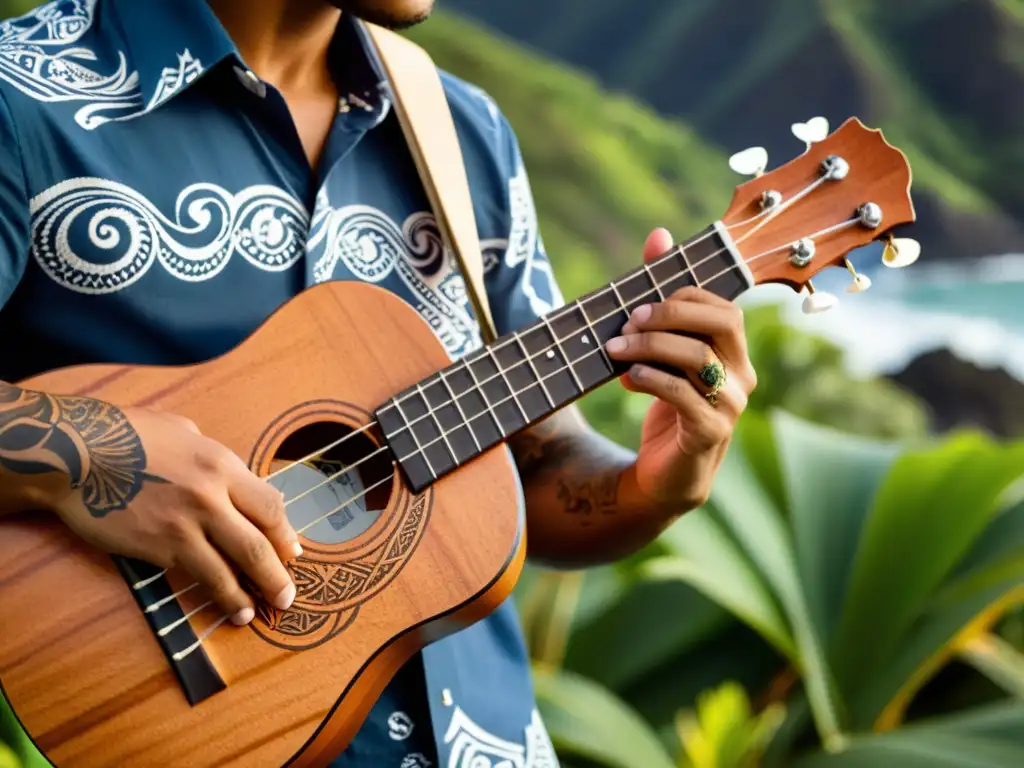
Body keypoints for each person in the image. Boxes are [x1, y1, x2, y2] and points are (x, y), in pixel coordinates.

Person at [0, 0, 757, 765]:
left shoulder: (466, 134)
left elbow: (532, 465)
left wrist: (651, 487)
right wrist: (95, 456)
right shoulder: (21, 100)